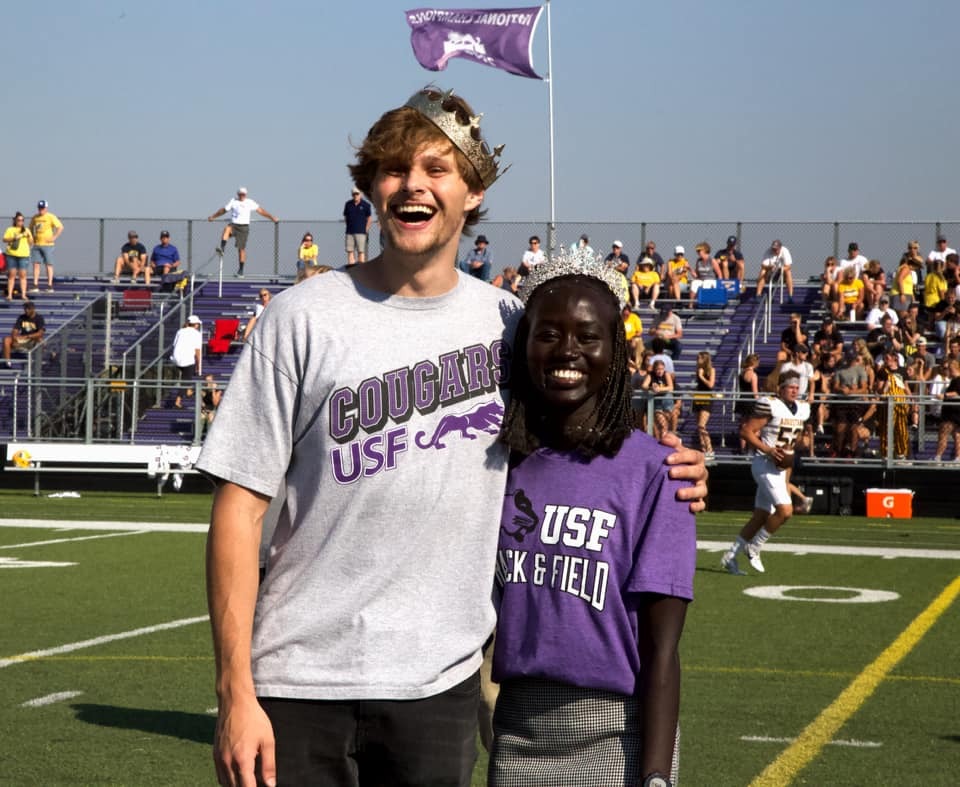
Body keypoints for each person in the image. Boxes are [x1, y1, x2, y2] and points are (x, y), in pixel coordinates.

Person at [196, 86, 708, 787]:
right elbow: (239, 508)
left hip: (438, 688)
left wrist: (672, 468)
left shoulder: (510, 326)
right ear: (370, 188)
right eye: (394, 169)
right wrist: (235, 693)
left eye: (437, 168)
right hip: (296, 677)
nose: (413, 185)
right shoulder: (299, 317)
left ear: (473, 191)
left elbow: (583, 435)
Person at [491, 255, 694, 787]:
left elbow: (663, 648)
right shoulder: (497, 463)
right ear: (524, 345)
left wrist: (655, 775)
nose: (567, 352)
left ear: (616, 352)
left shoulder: (659, 470)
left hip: (616, 736)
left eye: (588, 336)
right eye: (548, 334)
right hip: (514, 731)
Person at [721, 371, 810, 575]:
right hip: (764, 464)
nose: (794, 390)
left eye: (797, 386)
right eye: (790, 386)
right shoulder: (771, 404)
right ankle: (754, 546)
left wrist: (792, 457)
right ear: (780, 388)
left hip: (780, 468)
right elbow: (746, 431)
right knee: (785, 511)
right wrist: (768, 449)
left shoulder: (803, 409)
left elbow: (793, 441)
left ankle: (730, 556)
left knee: (761, 516)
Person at [209, 187, 279, 278]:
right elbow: (224, 210)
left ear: (246, 195)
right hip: (234, 224)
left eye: (244, 194)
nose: (242, 196)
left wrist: (271, 217)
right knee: (227, 229)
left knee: (241, 249)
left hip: (243, 227)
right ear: (238, 194)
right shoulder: (233, 201)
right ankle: (222, 248)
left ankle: (241, 270)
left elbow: (260, 211)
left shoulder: (250, 202)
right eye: (240, 194)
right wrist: (213, 216)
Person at [875, 348, 911, 459]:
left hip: (900, 403)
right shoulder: (882, 372)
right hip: (888, 404)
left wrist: (911, 400)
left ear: (894, 358)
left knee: (901, 429)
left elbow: (906, 387)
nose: (886, 360)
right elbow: (879, 389)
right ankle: (885, 453)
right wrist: (885, 386)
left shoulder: (903, 371)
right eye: (885, 359)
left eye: (887, 358)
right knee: (886, 428)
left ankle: (901, 453)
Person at [28, 200, 62, 293]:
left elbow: (60, 227)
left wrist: (54, 237)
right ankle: (35, 285)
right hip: (37, 244)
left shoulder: (51, 217)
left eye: (42, 208)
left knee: (48, 264)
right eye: (39, 208)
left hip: (47, 245)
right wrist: (31, 238)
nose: (41, 210)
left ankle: (50, 285)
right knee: (36, 264)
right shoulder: (35, 217)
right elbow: (30, 228)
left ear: (46, 208)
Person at [2, 300, 45, 367]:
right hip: (22, 339)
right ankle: (7, 362)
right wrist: (14, 339)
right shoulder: (21, 317)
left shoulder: (39, 318)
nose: (26, 310)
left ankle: (39, 362)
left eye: (28, 309)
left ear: (33, 309)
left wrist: (28, 336)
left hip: (32, 339)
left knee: (40, 340)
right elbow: (15, 330)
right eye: (25, 308)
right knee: (6, 340)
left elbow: (40, 333)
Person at [3, 212, 32, 301]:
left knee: (22, 275)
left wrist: (28, 237)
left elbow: (31, 243)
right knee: (12, 275)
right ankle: (10, 295)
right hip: (12, 255)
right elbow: (4, 239)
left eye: (22, 220)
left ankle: (23, 295)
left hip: (23, 255)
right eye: (19, 220)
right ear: (15, 220)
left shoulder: (26, 230)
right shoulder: (10, 229)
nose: (20, 222)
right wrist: (14, 238)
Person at [692, 350, 716, 459]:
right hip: (698, 397)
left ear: (704, 359)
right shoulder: (698, 369)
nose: (697, 360)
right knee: (698, 426)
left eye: (699, 358)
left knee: (702, 425)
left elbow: (711, 385)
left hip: (706, 398)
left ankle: (710, 450)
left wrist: (701, 376)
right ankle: (703, 450)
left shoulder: (711, 370)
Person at [735, 353, 760, 452]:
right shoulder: (753, 375)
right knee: (753, 427)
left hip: (742, 400)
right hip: (750, 402)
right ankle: (750, 448)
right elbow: (755, 392)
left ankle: (743, 449)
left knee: (743, 425)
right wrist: (759, 401)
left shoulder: (741, 373)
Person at [343, 186, 373, 265]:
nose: (355, 195)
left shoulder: (366, 205)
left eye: (357, 194)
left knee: (361, 251)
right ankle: (351, 267)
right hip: (349, 232)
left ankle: (361, 267)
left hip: (361, 232)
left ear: (361, 194)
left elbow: (369, 218)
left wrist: (366, 229)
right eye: (354, 194)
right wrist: (348, 226)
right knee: (350, 250)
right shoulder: (348, 204)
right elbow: (345, 216)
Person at [170, 315, 202, 379]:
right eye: (198, 324)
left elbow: (174, 345)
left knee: (184, 381)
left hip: (175, 360)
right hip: (187, 361)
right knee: (186, 383)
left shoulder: (180, 331)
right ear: (195, 324)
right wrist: (198, 366)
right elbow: (197, 351)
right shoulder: (197, 334)